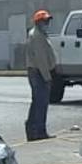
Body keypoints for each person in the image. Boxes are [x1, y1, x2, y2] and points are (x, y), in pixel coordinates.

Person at [25, 9, 57, 141]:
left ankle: (33, 129)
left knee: (37, 102)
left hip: (38, 71)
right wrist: (47, 77)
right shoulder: (37, 36)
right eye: (45, 21)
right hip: (39, 72)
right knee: (41, 103)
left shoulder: (40, 34)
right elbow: (41, 60)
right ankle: (39, 131)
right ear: (38, 22)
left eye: (48, 21)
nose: (47, 23)